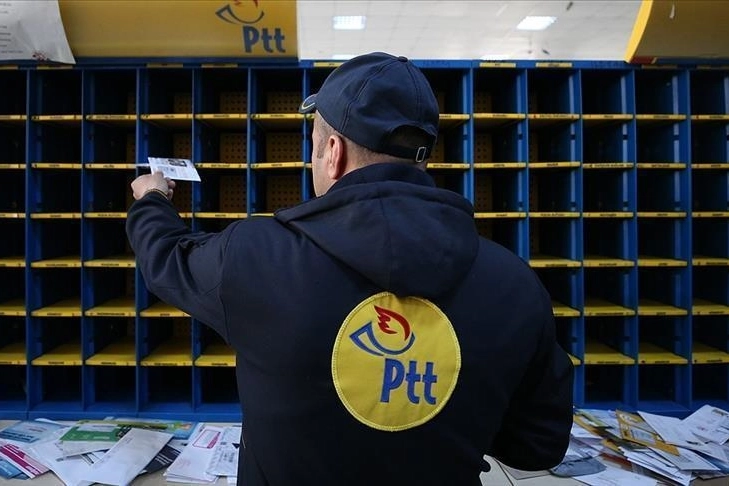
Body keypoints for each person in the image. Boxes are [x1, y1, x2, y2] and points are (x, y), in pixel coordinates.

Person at [126, 52, 574, 485]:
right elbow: (537, 446)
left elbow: (165, 256)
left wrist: (152, 197)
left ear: (333, 152)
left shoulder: (255, 256)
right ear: (421, 158)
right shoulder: (514, 284)